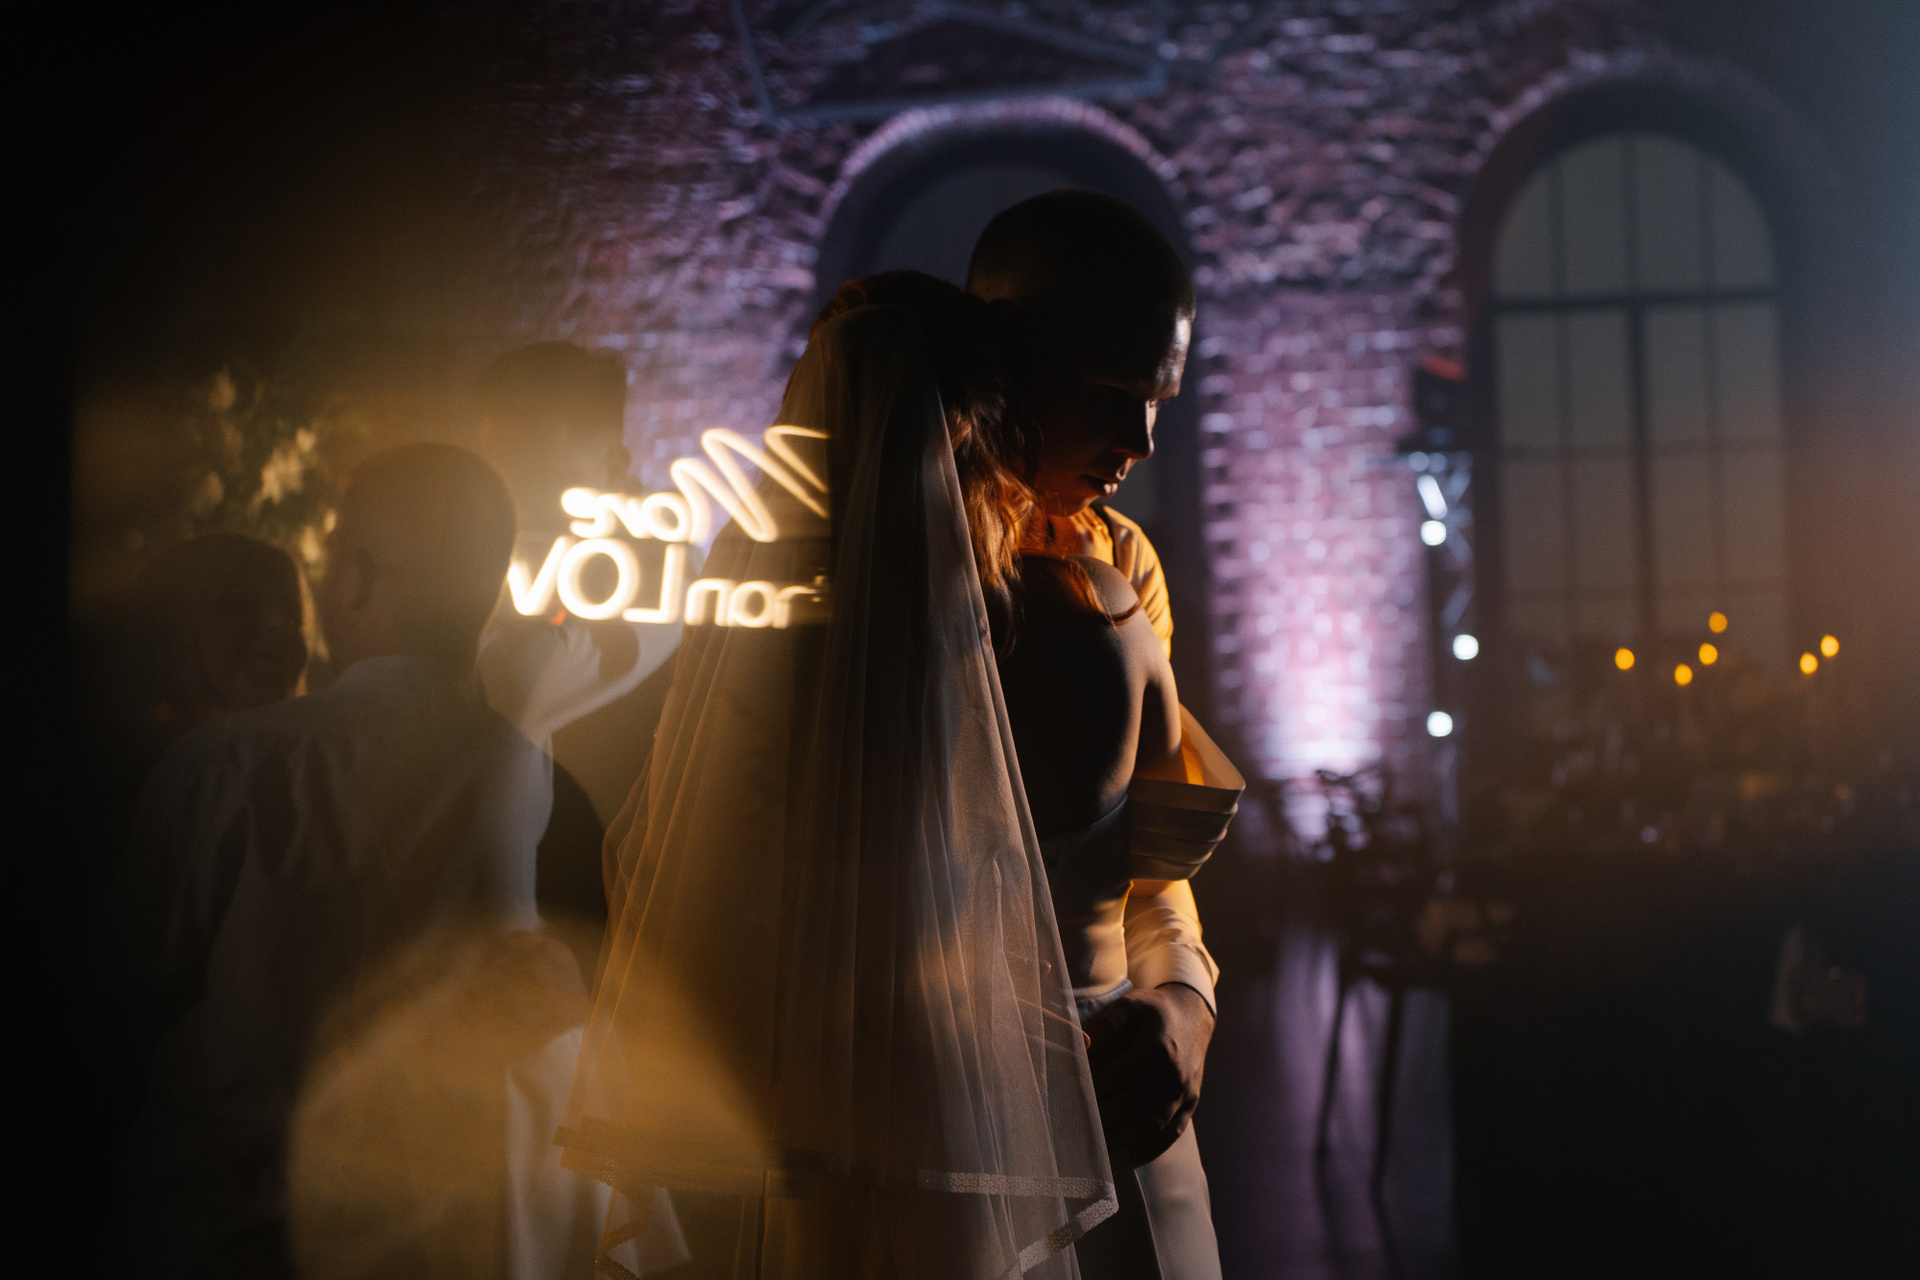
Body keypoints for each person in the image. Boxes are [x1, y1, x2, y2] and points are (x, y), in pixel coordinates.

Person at [559, 276, 1119, 1278]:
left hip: (765, 1038)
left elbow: (680, 828)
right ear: (965, 430)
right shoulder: (969, 598)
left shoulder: (752, 577)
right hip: (927, 1045)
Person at [98, 444, 587, 1279]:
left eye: (310, 580)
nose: (283, 626)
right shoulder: (524, 767)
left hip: (233, 1231)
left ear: (354, 579)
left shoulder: (226, 767)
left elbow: (118, 1013)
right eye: (236, 606)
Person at [970, 190, 1234, 1279]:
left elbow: (1147, 866)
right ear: (1006, 357)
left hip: (1122, 1085)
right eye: (1112, 395)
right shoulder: (874, 567)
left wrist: (1182, 1003)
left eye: (1160, 401)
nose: (1141, 442)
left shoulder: (1124, 561)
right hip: (945, 1110)